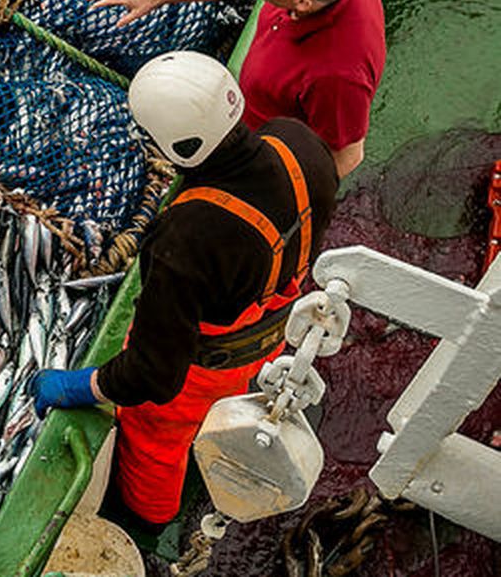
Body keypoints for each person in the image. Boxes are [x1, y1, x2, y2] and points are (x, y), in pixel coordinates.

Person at [27, 51, 339, 530]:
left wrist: (77, 385)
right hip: (272, 332)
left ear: (180, 147)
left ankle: (149, 521)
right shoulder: (298, 144)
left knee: (155, 446)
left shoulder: (186, 238)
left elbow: (152, 377)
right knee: (236, 391)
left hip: (201, 374)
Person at [89, 0, 384, 177]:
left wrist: (275, 192)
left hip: (262, 150)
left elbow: (347, 156)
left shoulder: (337, 77)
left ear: (303, 3)